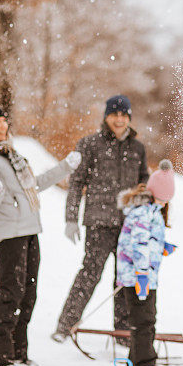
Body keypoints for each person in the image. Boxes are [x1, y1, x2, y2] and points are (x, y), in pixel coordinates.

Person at [0, 102, 80, 366]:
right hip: (9, 232)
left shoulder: (8, 154)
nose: (4, 125)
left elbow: (33, 185)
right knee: (10, 292)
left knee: (27, 294)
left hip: (29, 229)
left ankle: (17, 352)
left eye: (3, 120)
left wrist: (65, 167)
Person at [52, 95, 149, 342]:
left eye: (124, 115)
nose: (119, 119)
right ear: (106, 117)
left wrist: (146, 212)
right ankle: (65, 326)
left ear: (129, 118)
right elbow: (76, 183)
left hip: (129, 225)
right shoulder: (90, 144)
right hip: (98, 221)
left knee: (124, 278)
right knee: (90, 273)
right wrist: (71, 218)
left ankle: (123, 332)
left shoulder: (137, 148)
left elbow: (144, 183)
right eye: (114, 114)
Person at [115, 160, 176, 366]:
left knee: (145, 318)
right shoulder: (144, 212)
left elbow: (146, 240)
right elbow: (138, 245)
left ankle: (135, 359)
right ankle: (145, 363)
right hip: (138, 277)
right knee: (144, 320)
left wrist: (162, 246)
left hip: (142, 276)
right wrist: (141, 274)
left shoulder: (151, 210)